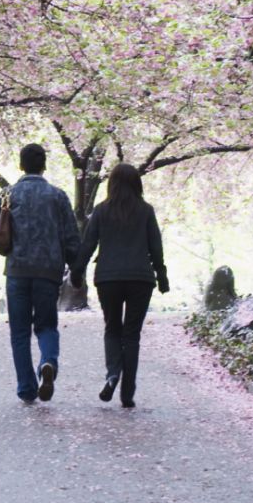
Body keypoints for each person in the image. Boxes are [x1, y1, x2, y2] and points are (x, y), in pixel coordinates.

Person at [0, 143, 83, 404]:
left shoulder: (8, 193)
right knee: (47, 325)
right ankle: (47, 363)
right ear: (44, 165)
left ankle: (26, 389)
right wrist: (76, 270)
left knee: (19, 331)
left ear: (21, 165)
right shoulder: (58, 196)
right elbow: (72, 238)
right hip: (48, 271)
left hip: (17, 270)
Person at [74, 163, 169, 409]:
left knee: (112, 328)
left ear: (111, 184)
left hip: (108, 278)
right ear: (137, 184)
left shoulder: (101, 211)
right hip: (140, 278)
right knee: (132, 334)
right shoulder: (146, 211)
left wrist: (77, 271)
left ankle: (112, 374)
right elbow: (155, 247)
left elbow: (88, 245)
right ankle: (128, 392)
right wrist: (162, 276)